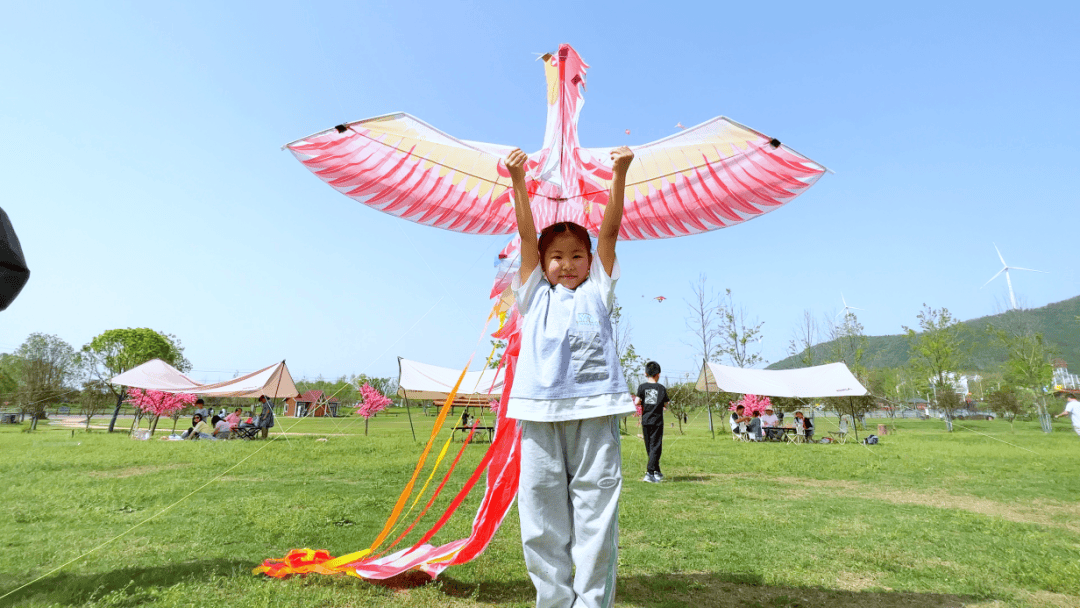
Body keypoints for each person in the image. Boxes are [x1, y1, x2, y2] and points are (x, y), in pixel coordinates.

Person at [504, 145, 636, 608]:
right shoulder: (532, 296)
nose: (567, 263)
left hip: (596, 414)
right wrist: (519, 182)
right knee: (541, 517)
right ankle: (554, 602)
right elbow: (525, 237)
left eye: (576, 255)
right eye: (556, 256)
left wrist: (619, 174)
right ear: (541, 266)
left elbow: (611, 232)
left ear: (589, 262)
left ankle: (591, 603)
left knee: (596, 515)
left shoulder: (598, 291)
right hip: (539, 417)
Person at [635, 361, 670, 483]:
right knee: (656, 447)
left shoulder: (641, 387)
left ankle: (657, 471)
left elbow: (637, 402)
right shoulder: (661, 388)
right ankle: (650, 473)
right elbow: (666, 404)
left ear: (645, 373)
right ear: (658, 374)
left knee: (650, 446)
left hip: (645, 420)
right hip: (657, 421)